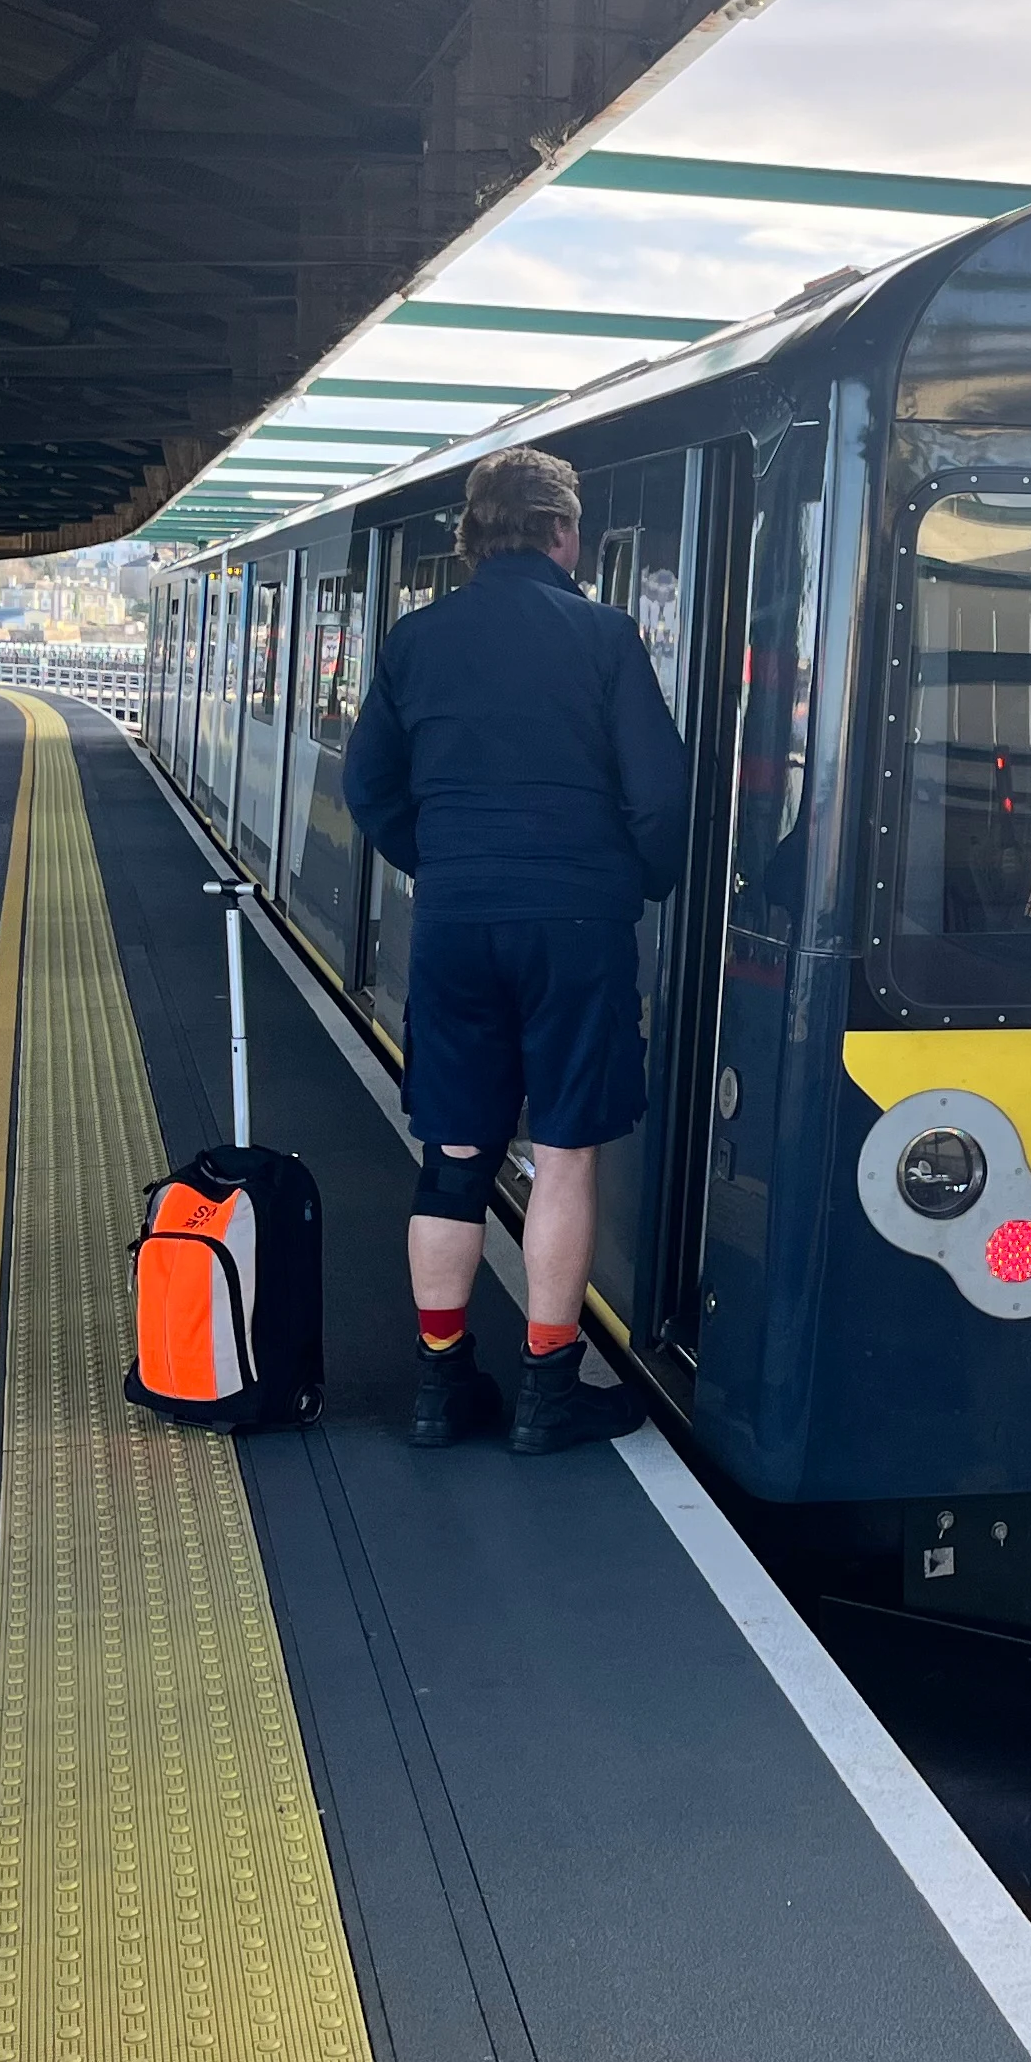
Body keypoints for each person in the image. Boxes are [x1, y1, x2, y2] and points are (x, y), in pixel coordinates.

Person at [342, 446, 689, 1454]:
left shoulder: (416, 641)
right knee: (564, 1151)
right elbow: (660, 794)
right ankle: (548, 1386)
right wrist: (637, 880)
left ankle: (440, 1387)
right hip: (577, 925)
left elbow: (372, 788)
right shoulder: (605, 635)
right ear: (562, 533)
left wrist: (441, 861)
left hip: (456, 919)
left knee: (454, 1153)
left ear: (471, 537)